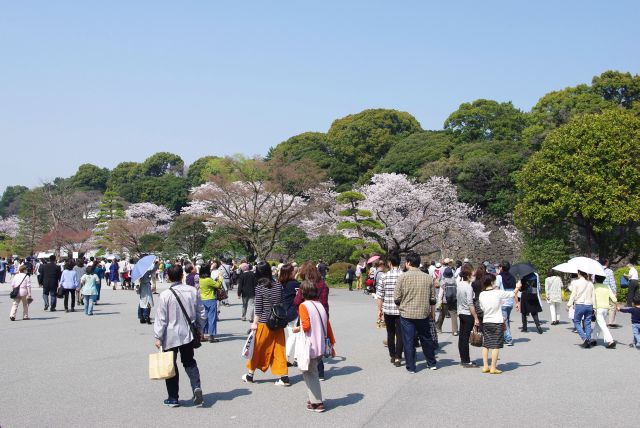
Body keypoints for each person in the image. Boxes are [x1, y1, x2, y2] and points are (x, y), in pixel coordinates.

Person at [153, 264, 205, 407]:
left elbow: (161, 319)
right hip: (187, 333)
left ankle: (173, 398)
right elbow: (201, 312)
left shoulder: (165, 295)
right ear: (182, 276)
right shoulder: (192, 291)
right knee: (189, 362)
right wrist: (199, 328)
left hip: (170, 335)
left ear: (168, 277)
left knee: (171, 365)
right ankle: (196, 387)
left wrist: (158, 336)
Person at [242, 262, 290, 386]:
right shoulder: (278, 285)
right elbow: (282, 302)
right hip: (278, 321)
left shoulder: (260, 287)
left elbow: (259, 308)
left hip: (264, 322)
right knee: (279, 349)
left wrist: (254, 323)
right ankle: (284, 377)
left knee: (257, 349)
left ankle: (250, 375)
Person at [292, 280, 336, 413]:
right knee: (311, 372)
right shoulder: (320, 305)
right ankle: (313, 399)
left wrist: (296, 329)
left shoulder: (304, 306)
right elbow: (327, 326)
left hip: (309, 345)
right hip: (321, 345)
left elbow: (306, 326)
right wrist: (332, 344)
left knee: (310, 374)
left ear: (303, 292)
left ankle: (317, 403)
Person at [393, 252, 437, 373]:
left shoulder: (402, 277)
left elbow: (396, 298)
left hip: (407, 314)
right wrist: (432, 313)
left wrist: (400, 307)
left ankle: (411, 366)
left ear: (408, 263)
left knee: (408, 340)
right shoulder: (428, 277)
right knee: (426, 339)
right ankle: (431, 363)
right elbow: (433, 299)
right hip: (423, 313)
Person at [294, 262, 330, 380]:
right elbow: (324, 303)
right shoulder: (323, 285)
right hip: (320, 315)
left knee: (307, 341)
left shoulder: (305, 285)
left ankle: (308, 368)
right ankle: (320, 373)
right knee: (319, 341)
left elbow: (297, 300)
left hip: (307, 313)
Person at [478, 275, 518, 374]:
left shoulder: (482, 294)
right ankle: (493, 367)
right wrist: (517, 287)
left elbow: (482, 308)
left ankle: (485, 366)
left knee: (486, 344)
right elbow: (512, 294)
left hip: (486, 321)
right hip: (497, 321)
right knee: (496, 345)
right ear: (492, 282)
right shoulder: (498, 293)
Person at [376, 254, 404, 367]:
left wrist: (379, 310)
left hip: (387, 309)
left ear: (390, 263)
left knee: (390, 333)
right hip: (401, 310)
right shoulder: (404, 276)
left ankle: (392, 355)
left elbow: (379, 296)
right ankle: (398, 357)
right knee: (400, 334)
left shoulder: (384, 276)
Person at [457, 263, 480, 367]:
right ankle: (466, 361)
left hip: (461, 312)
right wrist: (475, 317)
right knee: (465, 339)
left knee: (462, 337)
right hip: (467, 314)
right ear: (467, 275)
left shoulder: (459, 284)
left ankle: (463, 359)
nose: (474, 277)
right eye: (473, 275)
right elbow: (470, 304)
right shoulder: (468, 287)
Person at [567, 270, 596, 348]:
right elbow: (593, 295)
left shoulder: (576, 282)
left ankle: (584, 338)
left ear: (579, 273)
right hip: (589, 305)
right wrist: (594, 306)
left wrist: (569, 304)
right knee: (588, 323)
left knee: (576, 322)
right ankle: (589, 339)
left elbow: (573, 294)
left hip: (580, 304)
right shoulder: (590, 283)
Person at [199, 264, 222, 342]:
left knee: (204, 318)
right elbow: (218, 285)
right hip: (211, 299)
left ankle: (202, 334)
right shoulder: (208, 280)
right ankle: (211, 336)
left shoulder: (200, 279)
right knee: (212, 318)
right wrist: (220, 278)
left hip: (202, 299)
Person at [593, 275, 617, 348]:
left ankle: (610, 341)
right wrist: (616, 303)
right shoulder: (606, 286)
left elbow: (592, 297)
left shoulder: (594, 287)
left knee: (602, 325)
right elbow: (613, 298)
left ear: (595, 279)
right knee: (598, 324)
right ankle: (594, 339)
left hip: (598, 308)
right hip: (606, 308)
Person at [436, 267, 458, 335]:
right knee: (454, 314)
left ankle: (438, 328)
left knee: (442, 314)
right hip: (453, 300)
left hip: (445, 301)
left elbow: (440, 294)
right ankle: (455, 331)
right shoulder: (454, 281)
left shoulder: (443, 282)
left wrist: (439, 303)